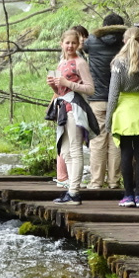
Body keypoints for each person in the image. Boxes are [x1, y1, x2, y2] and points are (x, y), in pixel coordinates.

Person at [45, 28, 98, 206]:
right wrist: (54, 86)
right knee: (65, 151)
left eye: (73, 43)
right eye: (67, 43)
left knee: (75, 149)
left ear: (78, 44)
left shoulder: (80, 62)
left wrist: (68, 83)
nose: (70, 46)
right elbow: (60, 90)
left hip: (75, 107)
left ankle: (74, 193)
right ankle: (70, 188)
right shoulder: (61, 63)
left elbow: (90, 89)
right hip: (62, 107)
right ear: (61, 44)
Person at [104, 26, 139, 208]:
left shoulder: (118, 63)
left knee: (126, 153)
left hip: (124, 110)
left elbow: (113, 93)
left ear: (124, 41)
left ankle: (128, 195)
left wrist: (108, 120)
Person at [83, 13, 127, 190]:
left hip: (97, 100)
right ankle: (114, 181)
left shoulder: (92, 42)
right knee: (116, 141)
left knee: (98, 141)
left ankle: (96, 182)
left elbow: (83, 47)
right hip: (120, 99)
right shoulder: (126, 43)